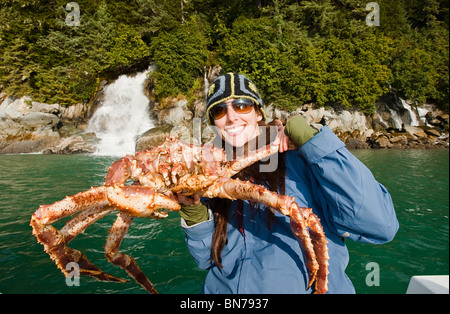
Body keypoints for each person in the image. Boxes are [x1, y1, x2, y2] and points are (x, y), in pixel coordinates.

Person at [170, 72, 399, 294]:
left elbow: (380, 226)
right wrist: (194, 214)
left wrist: (314, 142)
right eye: (219, 111)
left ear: (258, 113)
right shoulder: (208, 174)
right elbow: (207, 260)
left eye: (241, 106)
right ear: (213, 123)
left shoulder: (303, 160)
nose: (231, 117)